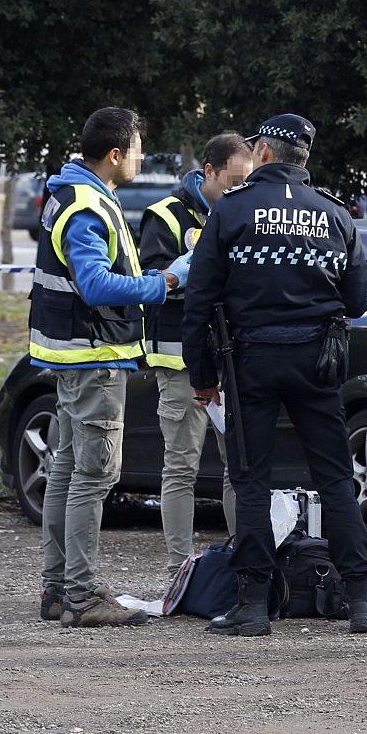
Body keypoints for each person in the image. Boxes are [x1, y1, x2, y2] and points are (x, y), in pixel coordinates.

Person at [182, 113, 367, 636]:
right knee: (336, 477)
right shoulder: (335, 214)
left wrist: (201, 374)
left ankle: (252, 605)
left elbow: (199, 298)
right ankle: (360, 597)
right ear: (303, 158)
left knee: (251, 480)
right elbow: (359, 300)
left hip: (250, 360)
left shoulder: (231, 210)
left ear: (264, 154)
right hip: (318, 360)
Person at [30, 107, 177, 628]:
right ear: (115, 155)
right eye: (138, 149)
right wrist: (166, 284)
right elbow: (94, 285)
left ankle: (58, 590)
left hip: (76, 357)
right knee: (92, 477)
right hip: (94, 358)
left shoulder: (71, 193)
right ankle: (84, 596)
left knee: (67, 474)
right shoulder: (89, 206)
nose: (142, 157)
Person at [139, 132, 251, 579]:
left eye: (247, 181)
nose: (238, 190)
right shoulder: (166, 215)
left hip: (229, 360)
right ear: (208, 171)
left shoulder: (242, 211)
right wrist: (191, 267)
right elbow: (151, 282)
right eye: (232, 180)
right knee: (181, 466)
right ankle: (178, 569)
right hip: (180, 362)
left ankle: (246, 562)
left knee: (238, 467)